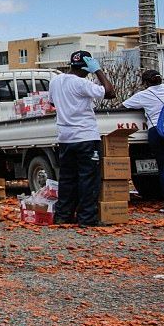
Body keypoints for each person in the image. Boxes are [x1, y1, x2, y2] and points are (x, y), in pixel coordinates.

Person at [50, 51, 115, 226]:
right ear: (87, 67)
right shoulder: (82, 83)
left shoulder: (55, 81)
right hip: (86, 136)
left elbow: (52, 103)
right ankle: (87, 218)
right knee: (88, 178)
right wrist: (99, 71)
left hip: (65, 137)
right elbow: (110, 92)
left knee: (67, 179)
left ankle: (63, 216)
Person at [123, 69, 164, 214]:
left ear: (145, 83)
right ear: (161, 79)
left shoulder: (143, 95)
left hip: (158, 133)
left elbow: (124, 106)